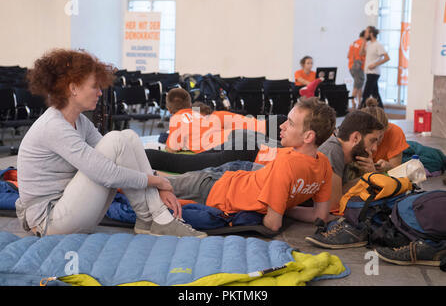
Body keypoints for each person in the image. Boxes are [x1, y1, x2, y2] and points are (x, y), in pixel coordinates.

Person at [15, 49, 206, 238]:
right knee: (116, 140)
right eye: (94, 87)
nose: (100, 93)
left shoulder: (79, 121)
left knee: (128, 136)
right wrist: (160, 182)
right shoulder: (54, 126)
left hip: (69, 209)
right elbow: (107, 173)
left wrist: (157, 185)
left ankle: (151, 219)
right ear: (73, 88)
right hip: (51, 222)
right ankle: (157, 219)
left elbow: (119, 158)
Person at [160, 97, 337, 232]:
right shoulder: (323, 163)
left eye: (289, 123)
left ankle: (143, 172)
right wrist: (282, 208)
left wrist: (279, 209)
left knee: (161, 185)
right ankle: (144, 173)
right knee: (166, 181)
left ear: (308, 137)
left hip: (219, 188)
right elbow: (319, 216)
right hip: (232, 177)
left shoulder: (287, 163)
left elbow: (273, 224)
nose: (281, 126)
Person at [360, 97, 409, 172]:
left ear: (386, 129)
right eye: (372, 140)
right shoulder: (355, 133)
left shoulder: (394, 132)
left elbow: (396, 169)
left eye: (380, 137)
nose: (375, 148)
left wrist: (389, 167)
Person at [359, 26, 390, 109]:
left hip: (374, 73)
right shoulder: (369, 44)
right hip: (369, 72)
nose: (365, 34)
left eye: (366, 32)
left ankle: (359, 112)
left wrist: (375, 64)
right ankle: (381, 111)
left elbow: (387, 58)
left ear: (371, 34)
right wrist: (364, 41)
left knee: (366, 94)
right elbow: (361, 53)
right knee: (375, 94)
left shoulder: (378, 45)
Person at [347, 30, 366, 109]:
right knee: (357, 85)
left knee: (359, 85)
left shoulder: (353, 43)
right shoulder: (363, 43)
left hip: (351, 66)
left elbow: (348, 55)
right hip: (359, 67)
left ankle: (359, 102)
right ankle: (354, 102)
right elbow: (363, 53)